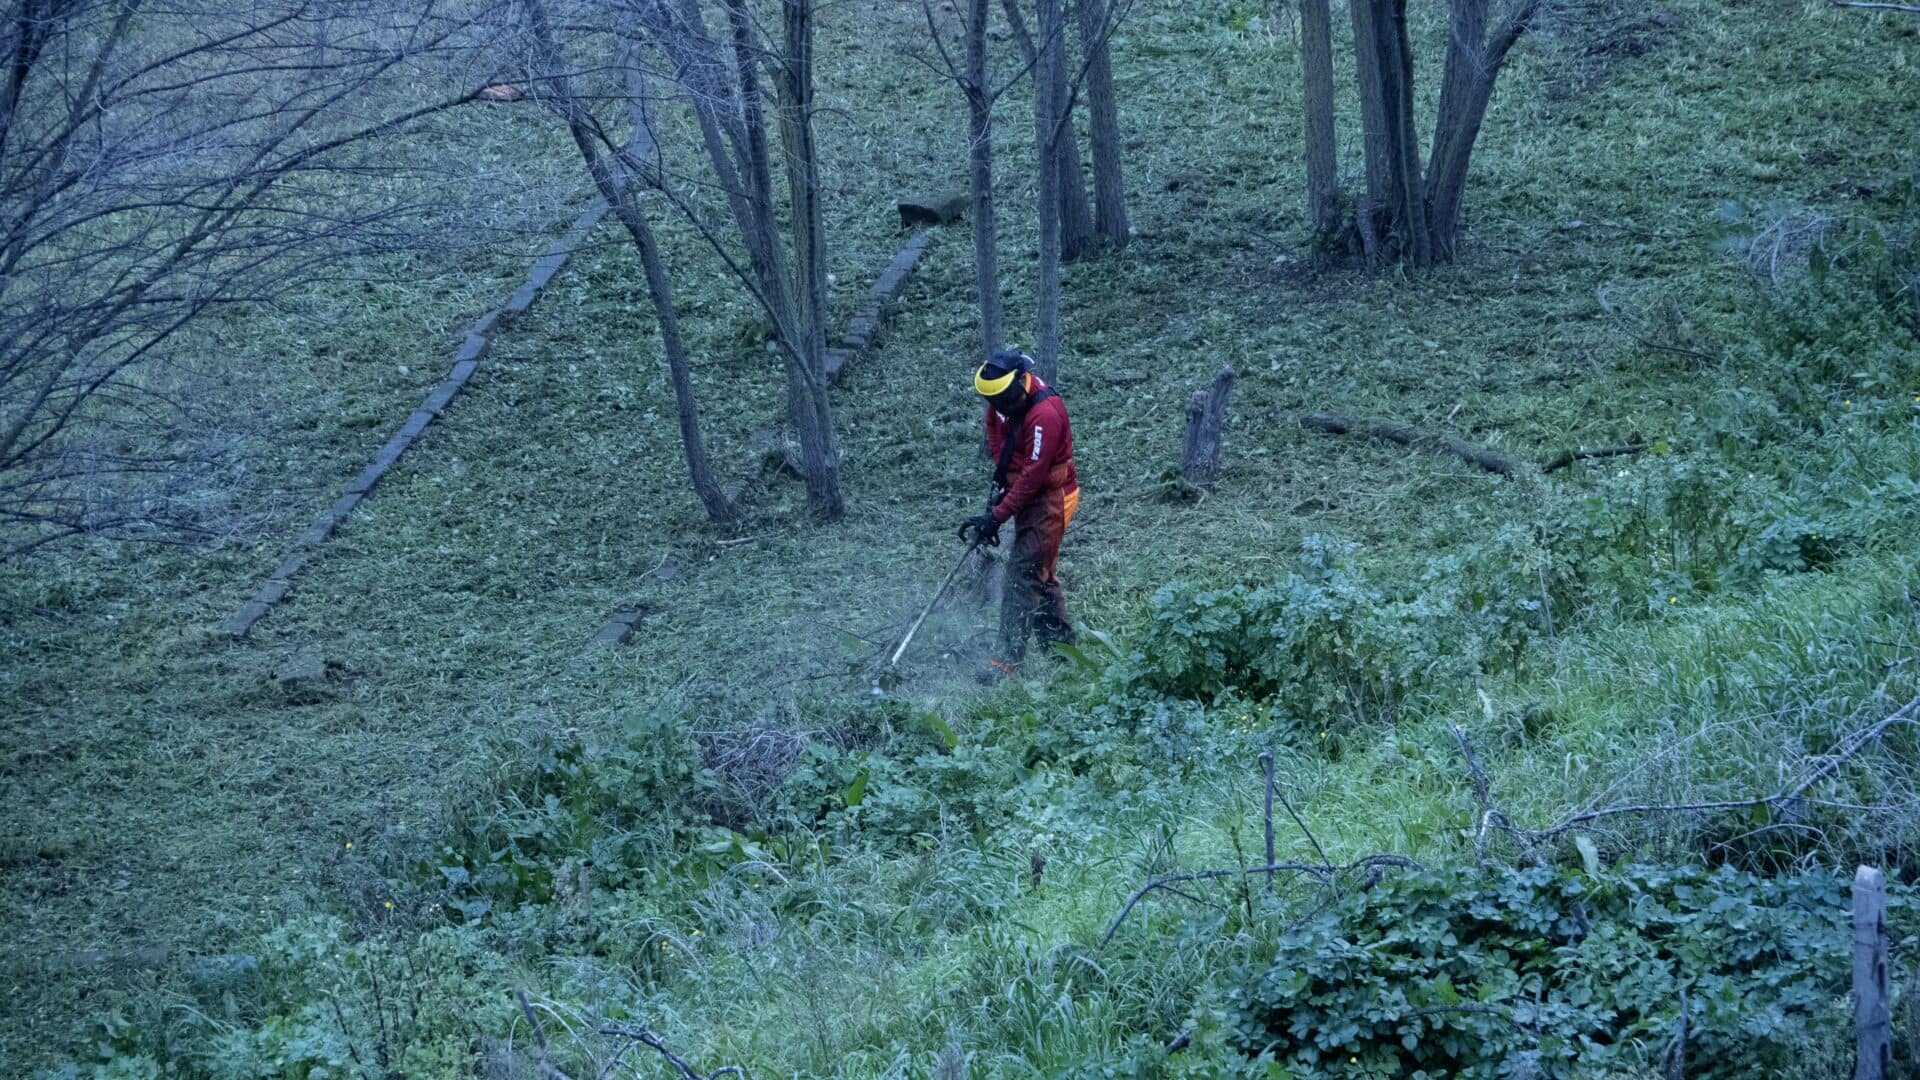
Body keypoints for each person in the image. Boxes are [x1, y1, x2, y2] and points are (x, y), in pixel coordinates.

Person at [957, 350, 1079, 672]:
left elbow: (1034, 476)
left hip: (1052, 497)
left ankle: (1006, 663)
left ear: (1020, 382)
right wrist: (1002, 495)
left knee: (1023, 575)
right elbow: (1001, 448)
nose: (999, 409)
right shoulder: (999, 404)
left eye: (1003, 400)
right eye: (992, 401)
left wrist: (998, 516)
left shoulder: (1046, 414)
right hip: (1024, 493)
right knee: (1040, 574)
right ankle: (1063, 654)